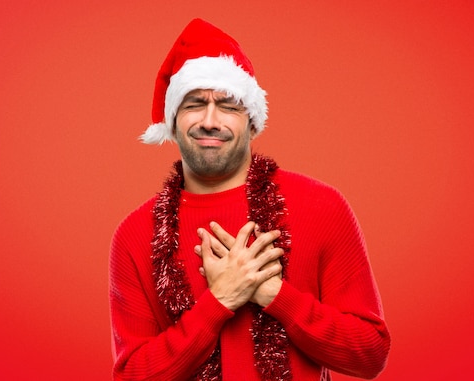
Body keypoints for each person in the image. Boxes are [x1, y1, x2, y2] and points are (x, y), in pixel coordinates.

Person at [109, 18, 390, 381]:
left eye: (228, 106)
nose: (210, 121)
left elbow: (369, 355)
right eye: (194, 104)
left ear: (253, 122)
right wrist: (221, 300)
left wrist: (274, 294)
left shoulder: (322, 207)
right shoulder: (134, 234)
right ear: (172, 120)